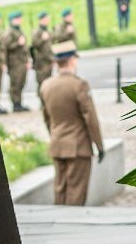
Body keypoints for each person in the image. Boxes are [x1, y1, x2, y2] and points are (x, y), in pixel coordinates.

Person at [38, 40, 103, 206]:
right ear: (73, 60)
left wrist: (55, 136)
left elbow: (47, 118)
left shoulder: (46, 85)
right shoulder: (79, 85)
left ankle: (58, 226)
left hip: (57, 145)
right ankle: (72, 228)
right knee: (76, 193)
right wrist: (99, 146)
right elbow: (91, 120)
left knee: (60, 190)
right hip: (78, 147)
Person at [4, 12, 30, 112]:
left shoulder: (19, 31)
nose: (19, 20)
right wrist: (17, 43)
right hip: (14, 62)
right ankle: (15, 104)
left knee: (22, 82)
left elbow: (25, 48)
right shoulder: (10, 32)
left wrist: (27, 60)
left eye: (19, 18)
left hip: (22, 61)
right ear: (11, 20)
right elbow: (7, 47)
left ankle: (19, 102)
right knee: (15, 83)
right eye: (16, 18)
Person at [30, 12, 55, 86]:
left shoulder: (48, 31)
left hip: (49, 60)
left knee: (49, 82)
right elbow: (34, 44)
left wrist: (53, 58)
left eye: (48, 19)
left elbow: (51, 46)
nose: (47, 20)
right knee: (41, 83)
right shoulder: (36, 32)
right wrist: (42, 39)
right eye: (45, 19)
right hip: (41, 62)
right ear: (41, 20)